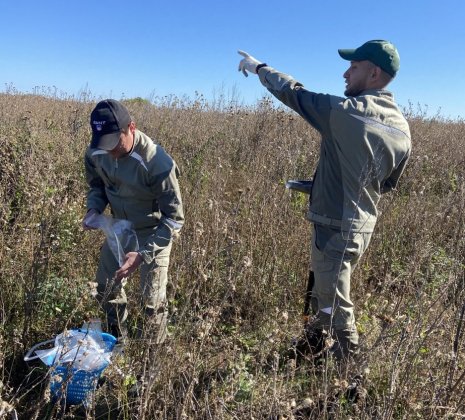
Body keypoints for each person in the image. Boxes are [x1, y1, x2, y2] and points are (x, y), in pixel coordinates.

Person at [238, 40, 411, 361]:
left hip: (334, 228)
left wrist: (259, 68)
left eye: (354, 67)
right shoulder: (402, 129)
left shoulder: (344, 113)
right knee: (324, 289)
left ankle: (348, 375)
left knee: (334, 301)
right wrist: (317, 185)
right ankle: (313, 344)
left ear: (374, 73)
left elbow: (294, 93)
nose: (345, 73)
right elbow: (379, 183)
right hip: (360, 229)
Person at [82, 99, 184, 345]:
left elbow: (174, 219)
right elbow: (97, 185)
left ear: (131, 128)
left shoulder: (156, 162)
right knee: (106, 288)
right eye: (103, 144)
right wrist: (94, 208)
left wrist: (142, 254)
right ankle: (117, 341)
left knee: (152, 304)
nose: (110, 151)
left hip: (153, 232)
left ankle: (154, 359)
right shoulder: (96, 152)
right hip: (119, 228)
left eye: (115, 143)